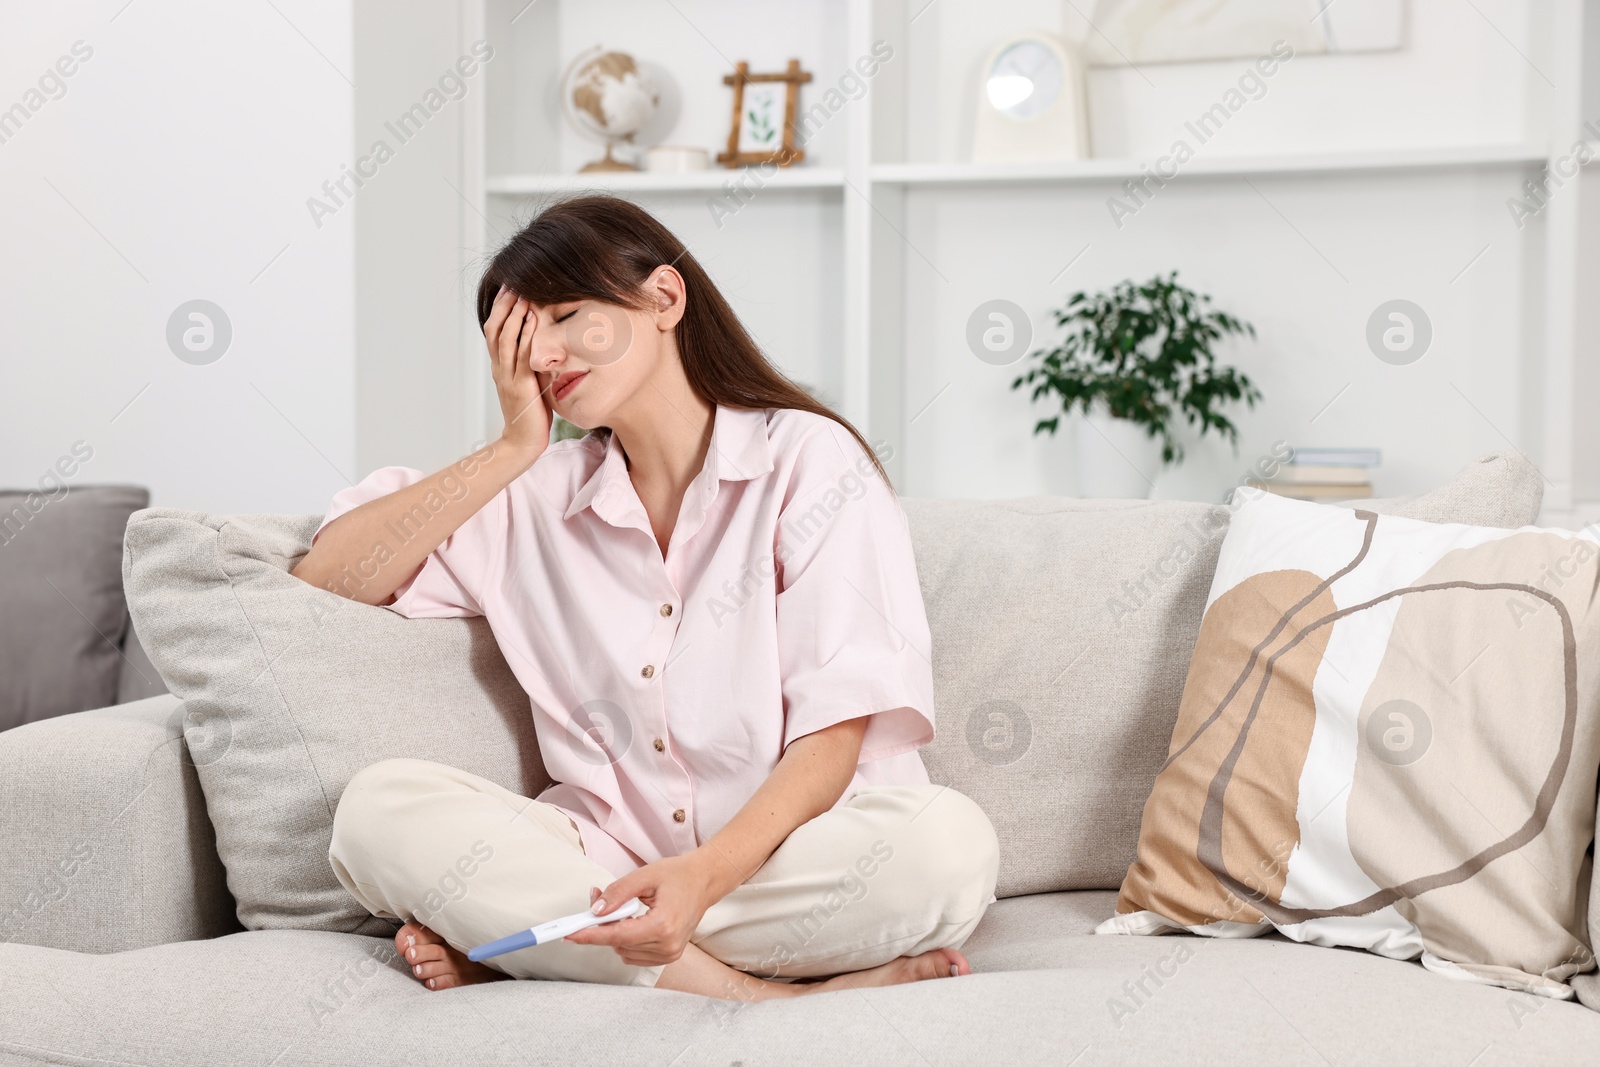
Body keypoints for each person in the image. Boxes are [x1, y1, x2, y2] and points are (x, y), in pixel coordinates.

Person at [291, 194, 999, 1001]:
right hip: (604, 865)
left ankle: (537, 949)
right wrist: (517, 443)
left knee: (947, 845)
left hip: (790, 860)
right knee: (378, 812)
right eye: (521, 337)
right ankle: (765, 996)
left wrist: (700, 877)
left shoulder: (808, 459)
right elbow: (331, 575)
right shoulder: (532, 495)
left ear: (664, 299)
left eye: (566, 315)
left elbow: (836, 732)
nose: (546, 354)